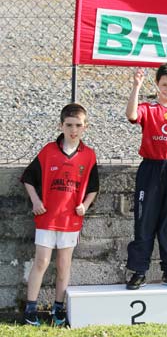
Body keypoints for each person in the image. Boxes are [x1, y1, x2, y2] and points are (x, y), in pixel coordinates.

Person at [21, 103, 99, 326]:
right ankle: (30, 309)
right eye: (69, 125)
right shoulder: (48, 151)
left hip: (70, 220)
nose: (74, 130)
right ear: (61, 125)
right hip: (47, 218)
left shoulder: (89, 156)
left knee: (64, 265)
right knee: (42, 262)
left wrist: (85, 204)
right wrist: (36, 201)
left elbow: (94, 187)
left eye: (78, 125)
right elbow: (28, 178)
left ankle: (58, 309)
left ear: (85, 126)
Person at [125, 62, 167, 290]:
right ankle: (138, 271)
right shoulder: (149, 109)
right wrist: (136, 86)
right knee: (144, 221)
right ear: (157, 84)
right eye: (164, 85)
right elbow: (132, 114)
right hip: (150, 170)